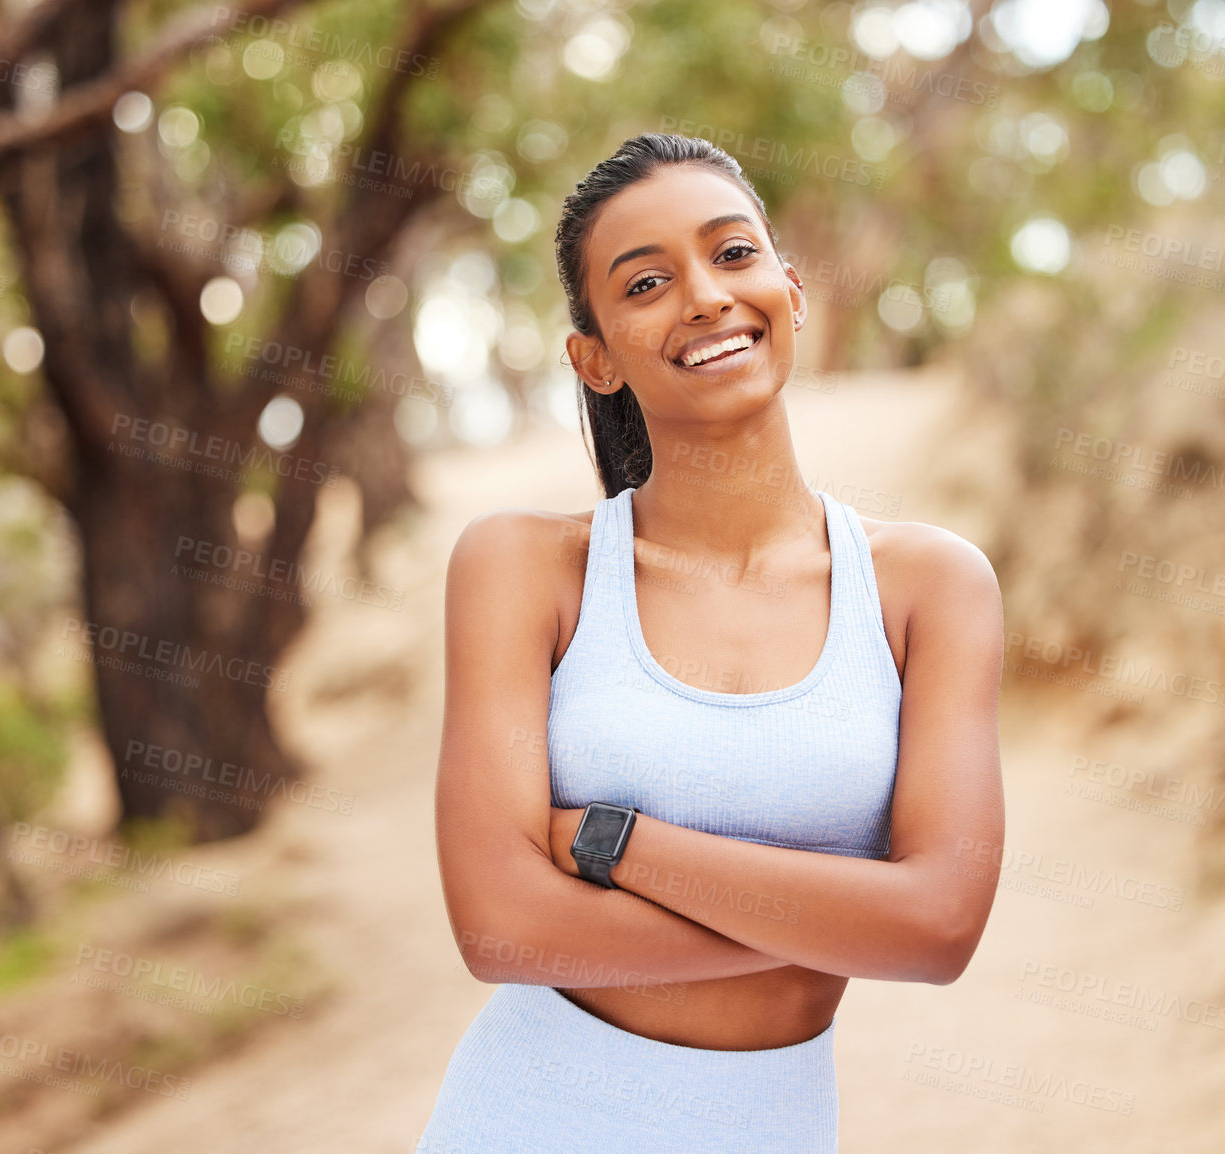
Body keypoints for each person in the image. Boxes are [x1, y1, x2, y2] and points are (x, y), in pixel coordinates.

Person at [417, 132, 1005, 1152]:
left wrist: (617, 845)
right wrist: (834, 921)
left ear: (792, 287)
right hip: (525, 1117)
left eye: (734, 253)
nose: (704, 296)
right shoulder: (523, 569)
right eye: (645, 282)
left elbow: (942, 925)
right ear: (593, 356)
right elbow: (500, 927)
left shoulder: (930, 588)